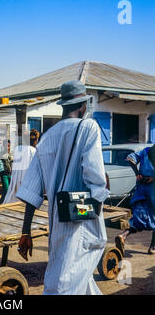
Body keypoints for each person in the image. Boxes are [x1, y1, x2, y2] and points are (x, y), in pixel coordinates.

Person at [17, 80, 109, 295]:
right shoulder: (89, 127)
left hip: (56, 221)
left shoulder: (45, 138)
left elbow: (32, 192)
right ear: (83, 106)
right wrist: (97, 200)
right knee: (65, 284)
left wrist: (25, 232)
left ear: (63, 105)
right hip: (81, 222)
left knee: (71, 276)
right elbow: (96, 178)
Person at [115, 145, 155, 255]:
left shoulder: (145, 151)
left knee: (138, 218)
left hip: (141, 190)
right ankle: (152, 247)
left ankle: (123, 235)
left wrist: (137, 174)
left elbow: (131, 158)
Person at [3, 130, 39, 204]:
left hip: (16, 181)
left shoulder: (17, 149)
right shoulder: (33, 151)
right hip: (27, 183)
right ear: (35, 140)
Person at [0, 139, 13, 205]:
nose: (8, 147)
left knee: (9, 191)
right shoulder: (0, 154)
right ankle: (0, 203)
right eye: (6, 146)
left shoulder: (11, 154)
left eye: (9, 146)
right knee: (6, 190)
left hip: (11, 174)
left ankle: (3, 203)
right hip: (4, 175)